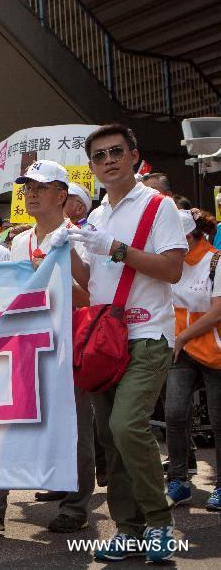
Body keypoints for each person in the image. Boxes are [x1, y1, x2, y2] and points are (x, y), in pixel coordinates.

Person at [0, 161, 93, 535]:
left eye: (39, 187)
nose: (30, 193)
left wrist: (52, 275)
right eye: (27, 186)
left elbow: (91, 296)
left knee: (73, 427)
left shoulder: (80, 237)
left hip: (66, 347)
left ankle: (75, 505)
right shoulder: (19, 241)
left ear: (61, 195)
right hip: (24, 344)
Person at [67, 124, 186, 563]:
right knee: (109, 436)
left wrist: (115, 248)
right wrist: (63, 256)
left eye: (116, 151)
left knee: (126, 425)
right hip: (104, 338)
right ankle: (128, 529)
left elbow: (172, 270)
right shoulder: (96, 216)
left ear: (134, 156)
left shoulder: (159, 206)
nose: (108, 160)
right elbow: (90, 282)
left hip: (148, 334)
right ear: (93, 166)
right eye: (99, 156)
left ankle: (160, 522)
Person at [166, 208, 221, 512]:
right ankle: (178, 481)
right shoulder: (172, 263)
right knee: (174, 414)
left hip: (213, 351)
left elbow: (217, 311)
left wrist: (184, 337)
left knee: (219, 420)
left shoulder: (216, 260)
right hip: (180, 350)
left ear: (189, 236)